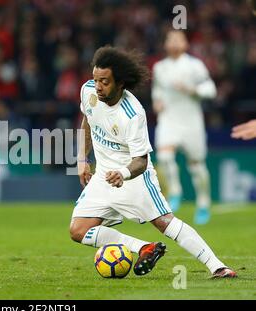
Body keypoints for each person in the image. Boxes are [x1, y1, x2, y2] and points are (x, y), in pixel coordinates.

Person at [70, 45, 236, 278]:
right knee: (78, 230)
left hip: (133, 178)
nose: (97, 86)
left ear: (120, 83)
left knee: (164, 222)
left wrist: (123, 174)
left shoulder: (132, 114)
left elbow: (141, 160)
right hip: (102, 177)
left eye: (105, 82)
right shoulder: (88, 92)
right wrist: (82, 159)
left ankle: (217, 266)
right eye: (96, 79)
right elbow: (88, 121)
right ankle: (144, 248)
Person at [152, 30, 217, 225]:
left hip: (191, 121)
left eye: (178, 39)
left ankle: (204, 202)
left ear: (186, 43)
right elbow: (157, 90)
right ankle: (175, 191)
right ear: (165, 44)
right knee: (164, 156)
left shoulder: (194, 66)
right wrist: (157, 102)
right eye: (170, 39)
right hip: (169, 119)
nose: (173, 42)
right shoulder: (159, 67)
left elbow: (211, 89)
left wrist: (192, 89)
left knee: (196, 166)